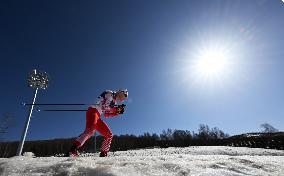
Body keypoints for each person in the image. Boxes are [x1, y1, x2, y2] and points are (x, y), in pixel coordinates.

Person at [68, 89, 128, 157]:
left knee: (109, 134)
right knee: (90, 130)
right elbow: (105, 106)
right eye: (122, 96)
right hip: (93, 111)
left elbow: (106, 114)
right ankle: (72, 150)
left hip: (97, 115)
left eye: (123, 98)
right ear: (120, 92)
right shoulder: (110, 93)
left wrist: (116, 113)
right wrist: (115, 109)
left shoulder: (114, 103)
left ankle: (103, 153)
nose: (121, 99)